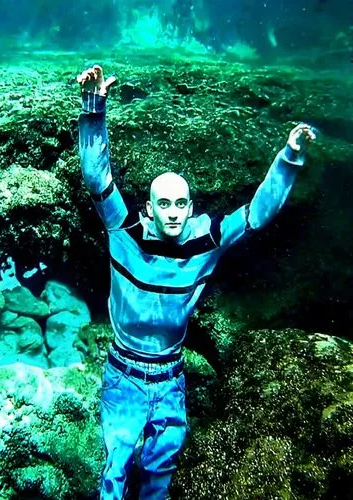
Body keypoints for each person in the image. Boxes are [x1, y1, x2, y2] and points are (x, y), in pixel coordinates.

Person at [76, 64, 316, 500]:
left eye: (180, 203)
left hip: (170, 375)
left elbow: (257, 215)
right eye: (163, 203)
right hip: (123, 374)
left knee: (161, 470)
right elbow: (97, 178)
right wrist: (93, 108)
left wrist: (289, 157)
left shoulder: (208, 240)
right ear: (148, 208)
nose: (172, 211)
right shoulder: (124, 231)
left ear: (190, 208)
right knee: (116, 467)